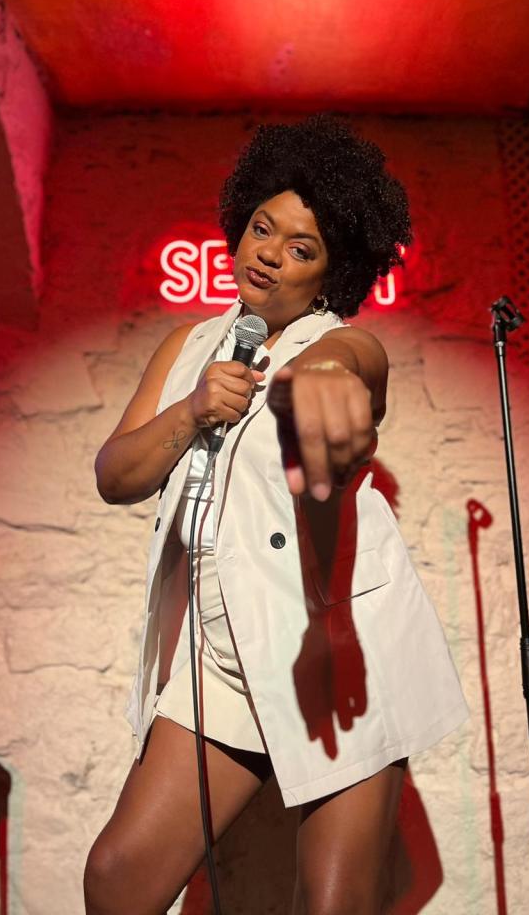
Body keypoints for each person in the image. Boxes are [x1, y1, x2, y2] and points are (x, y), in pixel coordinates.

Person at [84, 115, 469, 915]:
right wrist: (193, 408)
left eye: (301, 249)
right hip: (223, 660)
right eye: (262, 228)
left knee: (331, 906)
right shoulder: (190, 348)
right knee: (118, 879)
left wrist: (325, 372)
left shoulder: (340, 345)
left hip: (336, 658)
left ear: (331, 275)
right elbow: (116, 475)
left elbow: (359, 364)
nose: (267, 253)